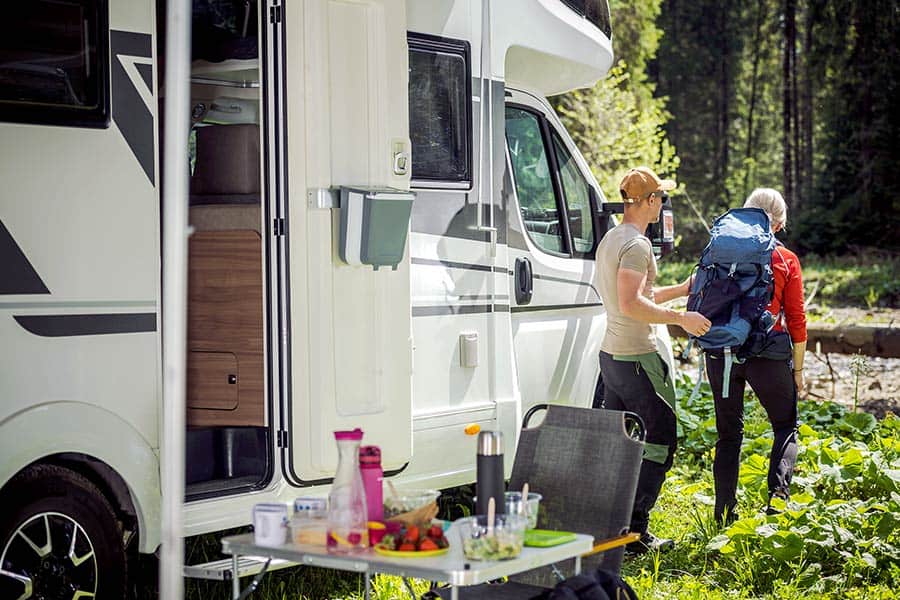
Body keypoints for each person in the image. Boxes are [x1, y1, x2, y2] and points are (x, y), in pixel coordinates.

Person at [595, 166, 711, 554]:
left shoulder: (614, 238)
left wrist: (679, 291)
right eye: (660, 198)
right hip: (636, 358)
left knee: (623, 443)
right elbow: (631, 304)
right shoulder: (637, 246)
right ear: (646, 202)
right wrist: (683, 318)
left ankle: (613, 526)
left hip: (612, 357)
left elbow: (639, 294)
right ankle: (635, 533)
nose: (662, 204)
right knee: (660, 442)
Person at [706, 188, 807, 525]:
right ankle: (778, 498)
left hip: (721, 351)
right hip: (768, 353)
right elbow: (796, 319)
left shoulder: (719, 251)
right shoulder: (786, 259)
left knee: (729, 434)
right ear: (778, 224)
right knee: (786, 426)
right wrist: (799, 369)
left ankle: (723, 516)